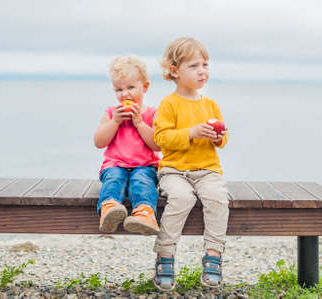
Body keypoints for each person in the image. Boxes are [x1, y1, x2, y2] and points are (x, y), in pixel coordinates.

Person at [153, 37, 229, 291]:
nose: (202, 71)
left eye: (205, 64)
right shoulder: (169, 104)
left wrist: (219, 136)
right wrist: (191, 133)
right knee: (181, 199)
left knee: (218, 199)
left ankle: (214, 255)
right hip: (175, 170)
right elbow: (161, 138)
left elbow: (223, 139)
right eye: (194, 66)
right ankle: (165, 255)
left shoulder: (211, 105)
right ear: (174, 71)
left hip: (207, 170)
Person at [94, 55, 160, 235]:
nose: (125, 94)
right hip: (115, 164)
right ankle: (109, 209)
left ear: (145, 87)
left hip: (144, 165)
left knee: (142, 181)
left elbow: (157, 144)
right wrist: (115, 122)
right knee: (114, 178)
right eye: (119, 89)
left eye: (131, 87)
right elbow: (99, 142)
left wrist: (139, 123)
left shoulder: (152, 113)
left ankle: (145, 213)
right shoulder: (111, 113)